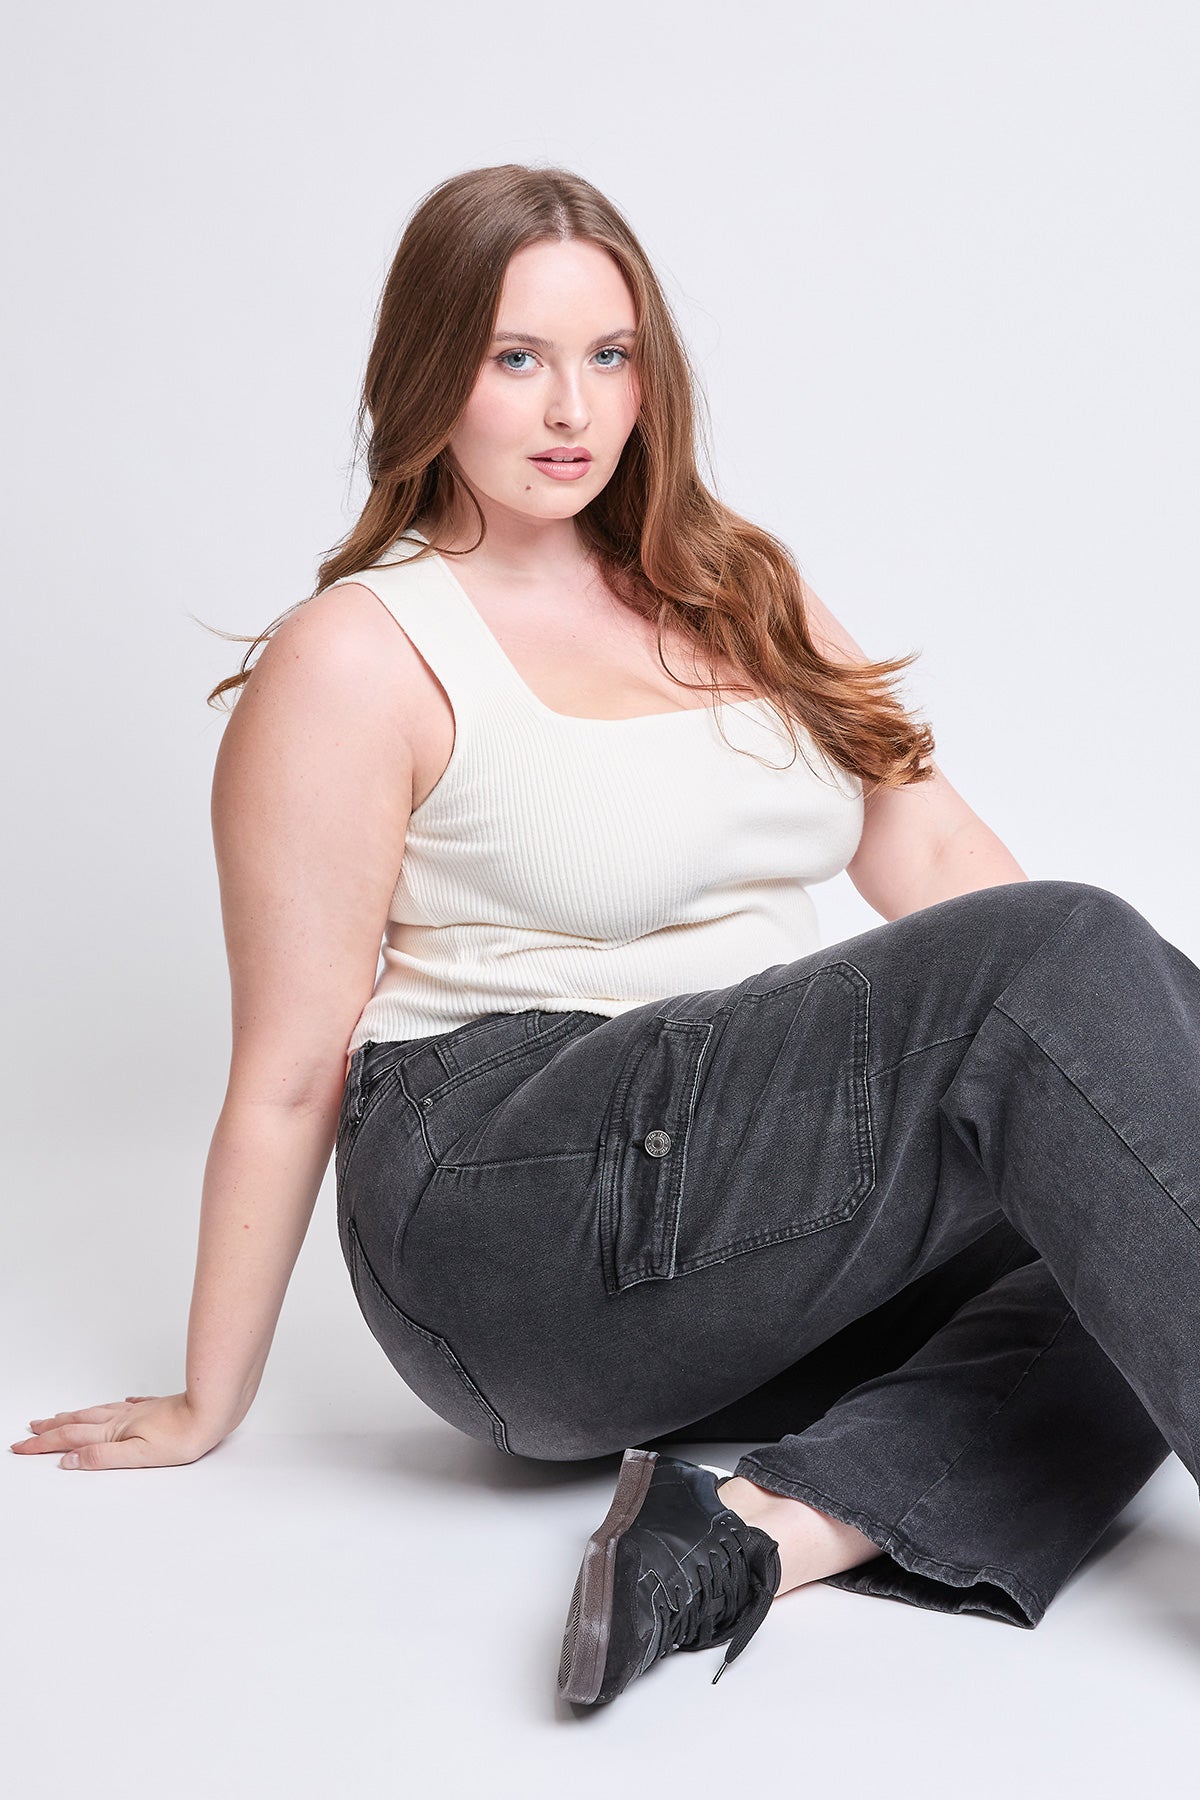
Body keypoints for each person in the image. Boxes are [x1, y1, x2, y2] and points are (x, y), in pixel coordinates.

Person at [14, 164, 1194, 1713]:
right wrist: (204, 1399)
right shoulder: (362, 653)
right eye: (517, 357)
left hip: (741, 1210)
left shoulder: (740, 585)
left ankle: (760, 1534)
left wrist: (1103, 1092)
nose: (572, 408)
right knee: (1079, 996)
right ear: (428, 372)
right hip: (506, 1208)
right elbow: (292, 1065)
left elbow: (946, 858)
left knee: (1121, 1198)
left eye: (609, 355)